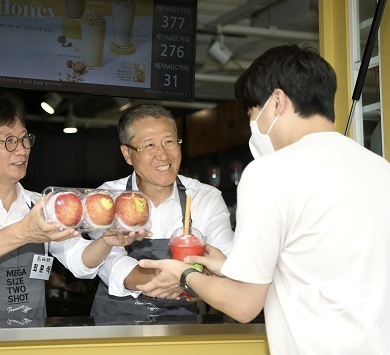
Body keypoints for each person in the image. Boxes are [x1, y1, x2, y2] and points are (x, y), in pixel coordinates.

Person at [136, 44, 390, 354]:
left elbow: (242, 305)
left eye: (252, 113)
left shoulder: (269, 172)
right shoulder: (380, 169)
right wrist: (230, 266)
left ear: (277, 102)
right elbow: (320, 269)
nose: (252, 125)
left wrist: (184, 275)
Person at [0, 89, 147, 325]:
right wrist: (24, 232)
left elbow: (79, 261)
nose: (22, 149)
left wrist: (106, 242)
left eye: (24, 138)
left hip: (30, 343)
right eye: (9, 141)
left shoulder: (43, 205)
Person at [88, 104, 234, 323]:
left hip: (178, 332)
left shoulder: (206, 198)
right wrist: (185, 278)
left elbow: (226, 263)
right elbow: (112, 265)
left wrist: (186, 277)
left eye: (169, 142)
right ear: (127, 154)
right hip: (114, 330)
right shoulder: (106, 199)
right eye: (149, 145)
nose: (163, 155)